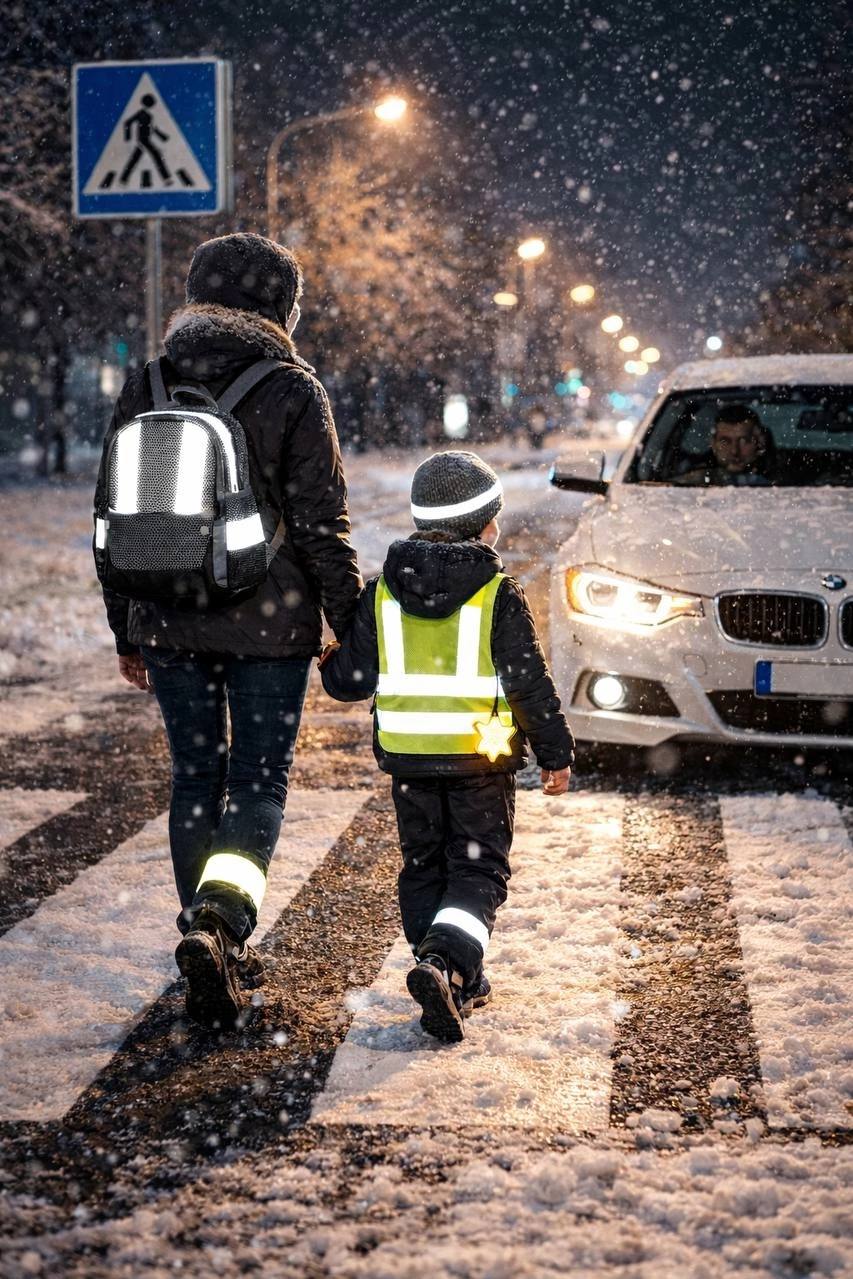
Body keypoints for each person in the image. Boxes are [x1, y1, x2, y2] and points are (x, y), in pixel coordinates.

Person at [95, 233, 362, 1030]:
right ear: (281, 305)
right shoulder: (290, 386)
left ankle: (199, 932)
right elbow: (322, 524)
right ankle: (220, 923)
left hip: (169, 617)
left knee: (193, 780)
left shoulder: (148, 379)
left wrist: (126, 628)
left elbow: (109, 514)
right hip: (269, 626)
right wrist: (345, 622)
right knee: (256, 782)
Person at [320, 451, 574, 1043]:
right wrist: (555, 753)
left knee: (424, 865)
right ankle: (448, 963)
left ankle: (443, 967)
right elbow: (529, 684)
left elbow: (349, 683)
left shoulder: (382, 593)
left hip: (409, 761)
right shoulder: (497, 594)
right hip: (480, 764)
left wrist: (331, 660)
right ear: (485, 524)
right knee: (478, 870)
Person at [674, 404, 776, 486]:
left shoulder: (783, 477)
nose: (734, 451)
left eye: (744, 441)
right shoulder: (694, 478)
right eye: (725, 441)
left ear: (760, 442)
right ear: (713, 444)